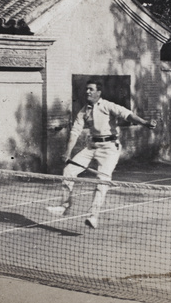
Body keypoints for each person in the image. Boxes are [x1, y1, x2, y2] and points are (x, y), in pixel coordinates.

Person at [47, 79, 156, 228]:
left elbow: (127, 114)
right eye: (86, 89)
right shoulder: (84, 110)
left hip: (110, 148)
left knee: (102, 180)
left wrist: (144, 122)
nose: (88, 92)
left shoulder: (108, 105)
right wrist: (67, 153)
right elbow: (75, 132)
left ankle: (93, 216)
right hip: (91, 146)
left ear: (99, 92)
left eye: (91, 89)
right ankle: (65, 205)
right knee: (68, 171)